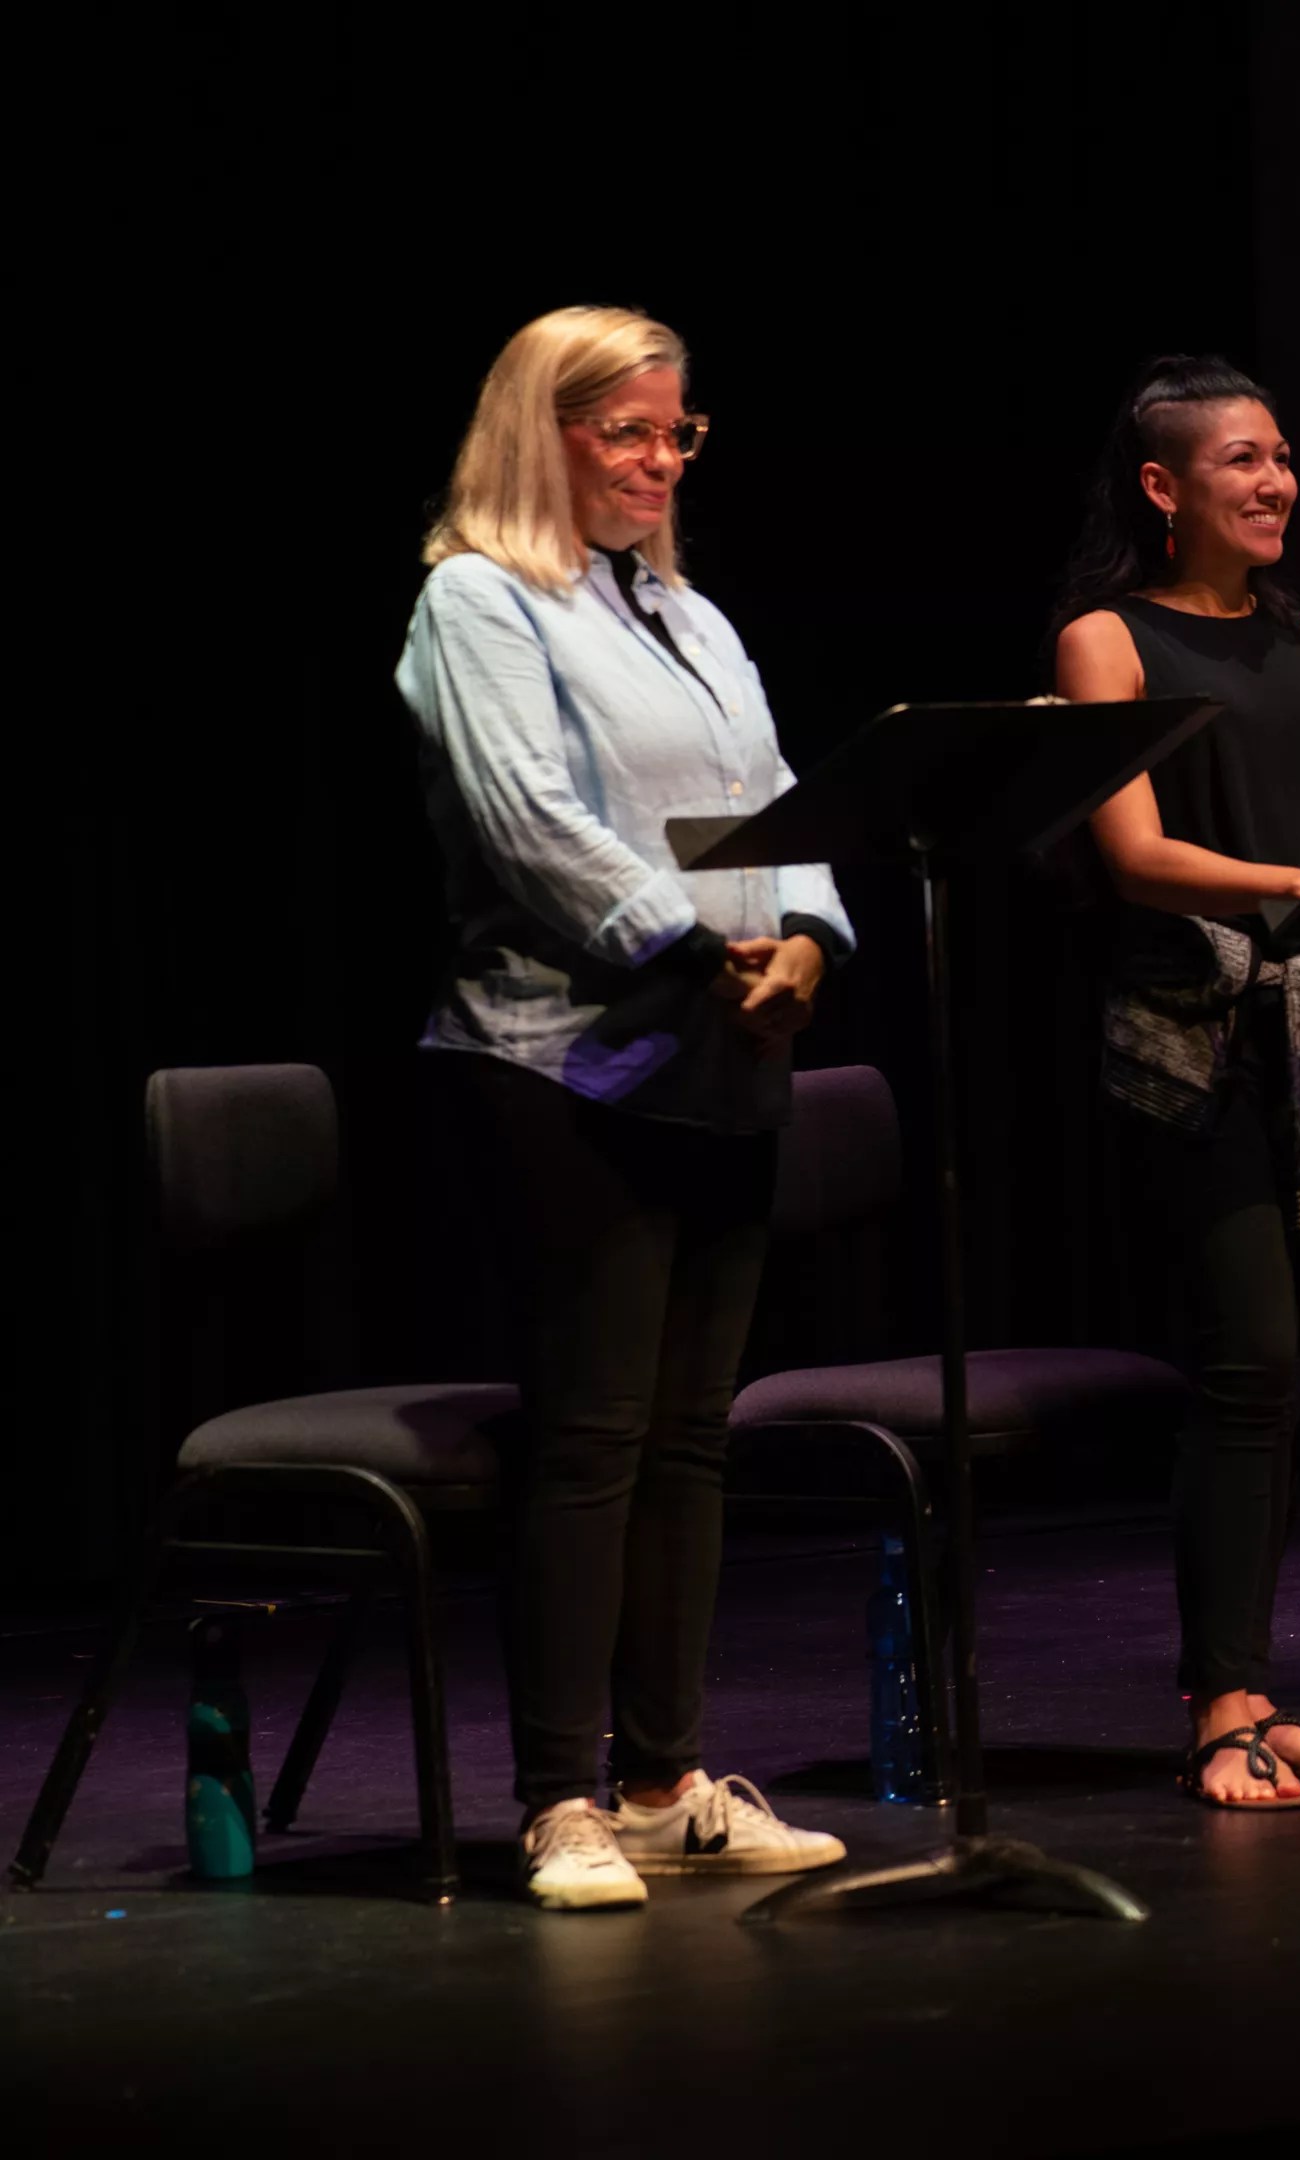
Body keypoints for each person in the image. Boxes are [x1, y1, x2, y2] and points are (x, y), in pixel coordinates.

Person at [400, 306, 854, 1909]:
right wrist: (695, 939)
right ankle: (561, 1798)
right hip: (559, 1060)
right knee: (591, 1438)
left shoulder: (691, 615)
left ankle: (665, 1780)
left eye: (681, 433)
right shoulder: (478, 598)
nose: (663, 459)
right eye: (631, 431)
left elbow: (777, 802)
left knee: (690, 1440)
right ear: (548, 431)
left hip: (725, 1051)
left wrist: (807, 936)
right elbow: (527, 818)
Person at [1054, 355, 1300, 1807]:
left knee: (1297, 1372)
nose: (1274, 484)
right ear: (1163, 487)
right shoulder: (1105, 641)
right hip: (1191, 1051)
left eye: (1282, 458)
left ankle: (1250, 1683)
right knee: (1244, 1363)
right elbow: (1129, 854)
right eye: (1241, 461)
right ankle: (1220, 1703)